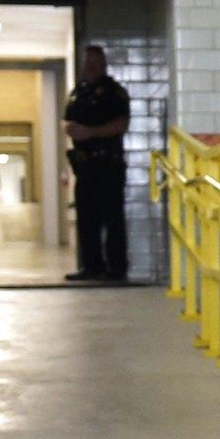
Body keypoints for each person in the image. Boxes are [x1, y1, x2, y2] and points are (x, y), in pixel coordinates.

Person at [63, 44, 131, 282]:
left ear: (102, 64)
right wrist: (71, 130)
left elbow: (121, 124)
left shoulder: (114, 92)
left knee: (112, 219)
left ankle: (116, 269)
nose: (89, 67)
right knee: (86, 218)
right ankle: (91, 267)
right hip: (85, 166)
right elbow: (67, 121)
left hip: (108, 164)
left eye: (94, 62)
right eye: (86, 63)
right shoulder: (78, 93)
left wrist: (90, 132)